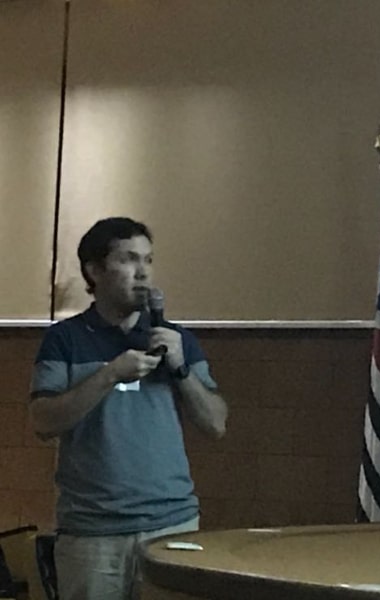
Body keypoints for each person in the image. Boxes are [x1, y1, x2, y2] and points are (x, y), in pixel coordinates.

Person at [29, 217, 228, 600]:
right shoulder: (64, 340)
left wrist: (181, 369)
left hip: (171, 526)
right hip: (93, 534)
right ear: (94, 270)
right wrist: (109, 374)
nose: (143, 273)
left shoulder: (176, 339)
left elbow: (216, 423)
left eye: (148, 261)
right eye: (129, 259)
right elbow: (42, 421)